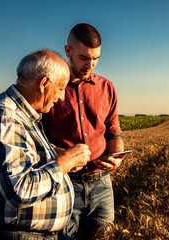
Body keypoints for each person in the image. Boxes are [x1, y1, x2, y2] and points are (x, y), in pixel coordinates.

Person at [0, 49, 92, 239]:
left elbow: (25, 157)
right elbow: (20, 190)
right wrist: (64, 162)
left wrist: (56, 154)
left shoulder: (21, 116)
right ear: (44, 83)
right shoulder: (5, 119)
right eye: (60, 88)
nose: (62, 97)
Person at [41, 23, 124, 239]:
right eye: (84, 58)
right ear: (68, 51)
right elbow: (34, 134)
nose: (91, 65)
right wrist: (60, 153)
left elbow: (114, 131)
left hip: (102, 185)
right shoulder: (50, 89)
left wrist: (117, 157)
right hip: (64, 184)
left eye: (96, 58)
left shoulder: (107, 88)